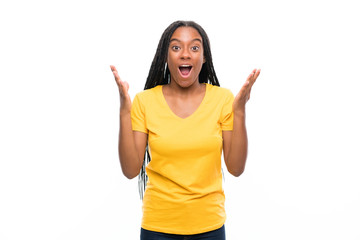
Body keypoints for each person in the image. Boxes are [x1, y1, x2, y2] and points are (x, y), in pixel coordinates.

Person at [110, 20, 260, 240]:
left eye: (195, 47)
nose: (185, 54)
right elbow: (131, 170)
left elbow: (236, 168)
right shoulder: (145, 102)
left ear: (204, 56)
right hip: (157, 228)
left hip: (210, 228)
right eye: (176, 47)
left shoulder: (223, 100)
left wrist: (239, 112)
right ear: (166, 55)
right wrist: (124, 111)